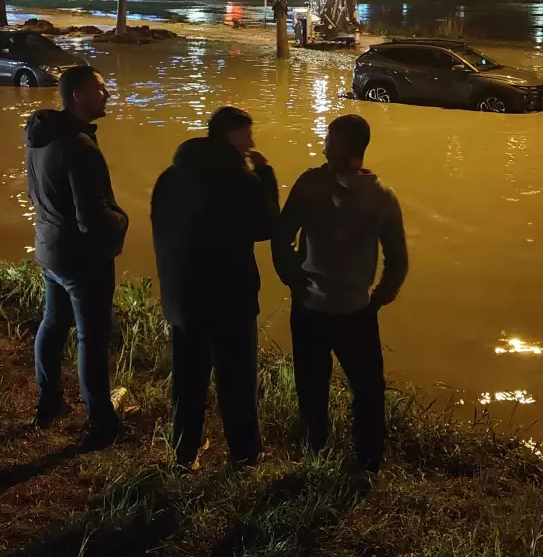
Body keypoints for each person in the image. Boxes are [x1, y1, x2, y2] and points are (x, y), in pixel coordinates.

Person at [273, 114, 408, 473]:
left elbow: (281, 236)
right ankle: (367, 461)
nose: (323, 144)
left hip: (310, 307)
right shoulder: (383, 197)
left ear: (344, 147)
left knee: (311, 384)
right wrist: (377, 298)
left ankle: (315, 446)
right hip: (356, 312)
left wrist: (293, 280)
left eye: (329, 138)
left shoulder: (310, 184)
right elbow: (398, 262)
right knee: (367, 391)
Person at [151, 106, 280, 468]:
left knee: (188, 378)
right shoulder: (240, 180)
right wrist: (266, 174)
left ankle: (184, 451)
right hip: (229, 299)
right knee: (237, 378)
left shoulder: (170, 176)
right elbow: (267, 225)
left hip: (183, 297)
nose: (251, 143)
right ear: (230, 136)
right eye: (246, 135)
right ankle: (245, 452)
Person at [25, 65, 129, 449]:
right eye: (100, 89)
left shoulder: (41, 136)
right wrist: (122, 221)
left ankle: (49, 400)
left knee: (53, 323)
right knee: (92, 338)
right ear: (77, 96)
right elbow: (93, 217)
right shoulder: (80, 146)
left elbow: (36, 193)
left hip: (50, 248)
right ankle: (102, 422)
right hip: (82, 259)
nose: (108, 95)